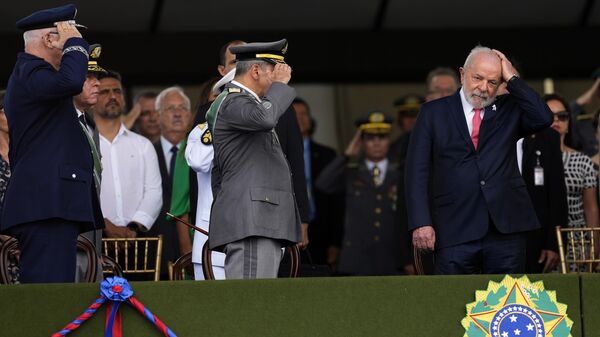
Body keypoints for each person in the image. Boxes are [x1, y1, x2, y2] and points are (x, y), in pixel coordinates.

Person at [406, 46, 553, 275]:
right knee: (451, 302)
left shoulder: (508, 109)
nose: (483, 88)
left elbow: (544, 117)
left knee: (506, 303)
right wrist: (421, 222)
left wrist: (512, 78)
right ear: (463, 74)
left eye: (493, 82)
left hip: (505, 228)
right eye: (477, 78)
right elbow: (416, 172)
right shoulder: (432, 113)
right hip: (454, 227)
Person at [1, 4, 104, 283]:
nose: (74, 43)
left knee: (56, 294)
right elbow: (72, 81)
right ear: (49, 39)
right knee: (49, 296)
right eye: (68, 36)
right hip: (46, 203)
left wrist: (71, 43)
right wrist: (76, 44)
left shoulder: (36, 75)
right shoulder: (30, 72)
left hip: (51, 203)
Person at [207, 39, 301, 279]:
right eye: (274, 70)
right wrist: (280, 86)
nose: (279, 76)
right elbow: (265, 119)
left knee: (259, 304)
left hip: (259, 219)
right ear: (256, 70)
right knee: (249, 303)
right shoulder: (233, 100)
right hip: (251, 221)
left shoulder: (249, 103)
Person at [317, 112, 407, 275]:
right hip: (357, 260)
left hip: (392, 259)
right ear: (362, 141)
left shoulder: (401, 173)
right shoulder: (350, 173)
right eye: (370, 138)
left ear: (389, 140)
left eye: (382, 137)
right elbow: (323, 184)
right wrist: (347, 155)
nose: (377, 143)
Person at [94, 70, 162, 237]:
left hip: (137, 238)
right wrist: (104, 225)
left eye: (117, 91)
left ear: (124, 99)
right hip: (95, 237)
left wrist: (135, 226)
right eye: (104, 92)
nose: (112, 96)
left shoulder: (142, 145)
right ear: (91, 98)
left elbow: (154, 192)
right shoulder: (83, 144)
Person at [544, 93, 599, 271]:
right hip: (543, 242)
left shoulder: (583, 161)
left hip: (578, 242)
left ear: (568, 123)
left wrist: (595, 247)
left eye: (562, 116)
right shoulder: (530, 159)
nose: (556, 120)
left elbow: (590, 208)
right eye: (549, 115)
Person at [149, 86, 194, 279]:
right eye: (170, 108)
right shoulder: (145, 151)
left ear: (191, 115)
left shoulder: (200, 153)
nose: (177, 113)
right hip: (156, 246)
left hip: (194, 242)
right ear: (157, 117)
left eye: (182, 108)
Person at [292, 97, 343, 268]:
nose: (299, 118)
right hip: (290, 231)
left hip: (322, 231)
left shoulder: (327, 154)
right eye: (294, 114)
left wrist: (336, 242)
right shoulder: (278, 152)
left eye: (304, 113)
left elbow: (337, 201)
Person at [72, 44, 107, 282]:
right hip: (71, 234)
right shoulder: (60, 123)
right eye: (88, 78)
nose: (97, 84)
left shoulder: (89, 125)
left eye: (97, 78)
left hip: (91, 234)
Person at [185, 122, 226, 280]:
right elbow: (198, 161)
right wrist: (218, 124)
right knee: (213, 303)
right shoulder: (205, 129)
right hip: (211, 240)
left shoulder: (257, 126)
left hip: (250, 235)